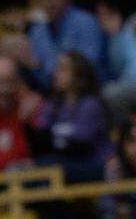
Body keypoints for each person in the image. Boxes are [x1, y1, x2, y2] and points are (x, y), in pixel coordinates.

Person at [29, 51, 113, 184]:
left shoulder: (91, 104)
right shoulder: (52, 104)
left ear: (79, 75)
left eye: (62, 69)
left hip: (93, 163)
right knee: (32, 170)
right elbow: (42, 135)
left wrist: (55, 136)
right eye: (57, 68)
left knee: (47, 168)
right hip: (63, 162)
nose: (56, 73)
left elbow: (81, 142)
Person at [93, 0, 136, 124]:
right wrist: (115, 37)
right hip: (128, 83)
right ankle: (124, 136)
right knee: (109, 93)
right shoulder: (133, 21)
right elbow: (118, 66)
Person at [27, 0, 105, 85]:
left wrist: (53, 71)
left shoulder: (85, 21)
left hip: (88, 88)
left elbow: (89, 63)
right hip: (50, 90)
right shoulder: (37, 32)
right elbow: (35, 67)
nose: (50, 3)